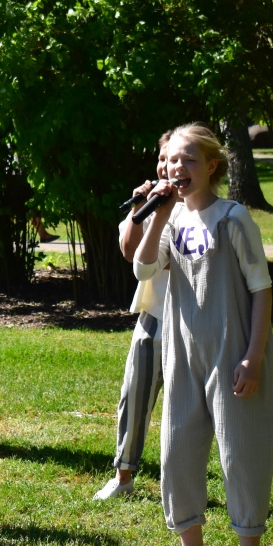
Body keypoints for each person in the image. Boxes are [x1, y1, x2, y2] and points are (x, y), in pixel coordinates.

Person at [134, 123, 273, 546]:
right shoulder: (172, 218)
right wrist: (158, 214)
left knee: (241, 456)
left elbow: (262, 290)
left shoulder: (233, 219)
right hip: (182, 353)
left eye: (189, 160)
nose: (178, 168)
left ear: (211, 166)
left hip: (233, 352)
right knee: (176, 453)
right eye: (172, 160)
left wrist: (253, 357)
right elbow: (143, 267)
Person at [93, 141, 171, 500]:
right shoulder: (155, 202)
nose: (167, 166)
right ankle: (123, 476)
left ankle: (185, 479)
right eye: (162, 158)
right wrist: (141, 206)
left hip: (193, 321)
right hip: (153, 313)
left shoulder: (201, 209)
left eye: (176, 159)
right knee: (134, 395)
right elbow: (129, 252)